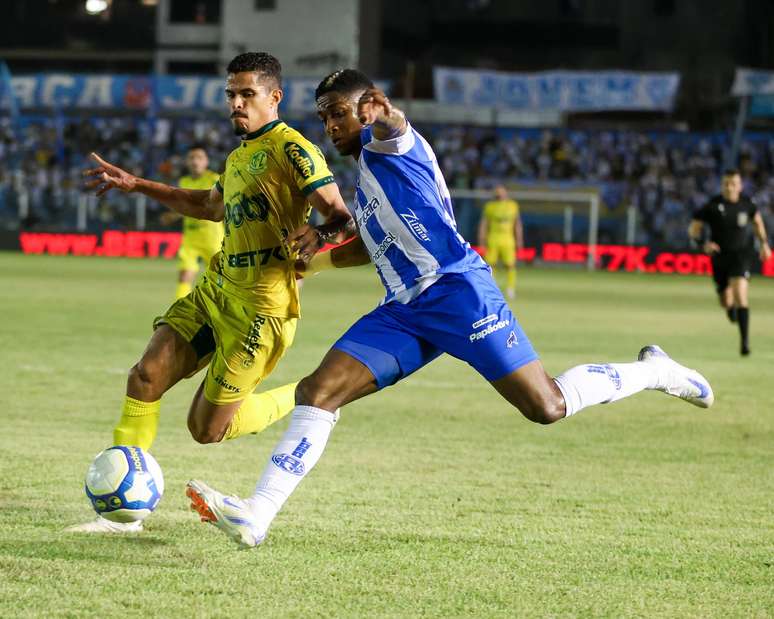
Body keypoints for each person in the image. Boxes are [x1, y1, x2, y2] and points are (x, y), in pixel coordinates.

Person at [184, 70, 714, 549]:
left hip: (458, 293)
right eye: (324, 117)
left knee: (546, 406)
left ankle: (654, 371)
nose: (330, 126)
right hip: (403, 310)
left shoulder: (388, 146)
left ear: (365, 106)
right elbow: (372, 243)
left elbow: (395, 127)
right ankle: (258, 513)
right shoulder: (367, 179)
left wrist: (383, 115)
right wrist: (317, 260)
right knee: (318, 391)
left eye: (338, 113)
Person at [66, 52, 353, 534]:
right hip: (217, 289)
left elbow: (340, 215)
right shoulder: (239, 154)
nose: (236, 104)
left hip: (262, 309)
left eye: (247, 94)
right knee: (145, 377)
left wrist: (321, 236)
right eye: (231, 95)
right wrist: (136, 184)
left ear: (274, 97)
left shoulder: (294, 149)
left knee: (206, 430)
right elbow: (207, 204)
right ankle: (122, 518)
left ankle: (305, 399)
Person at [688, 169, 772, 356]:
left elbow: (758, 223)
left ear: (740, 186)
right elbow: (694, 229)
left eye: (733, 183)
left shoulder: (747, 204)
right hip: (719, 258)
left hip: (741, 256)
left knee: (741, 295)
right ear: (722, 185)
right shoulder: (712, 205)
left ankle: (745, 343)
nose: (729, 187)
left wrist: (764, 244)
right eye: (726, 183)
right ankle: (731, 309)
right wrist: (703, 244)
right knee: (726, 300)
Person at [160, 145, 223, 299]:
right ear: (187, 162)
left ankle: (220, 309)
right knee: (184, 276)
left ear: (206, 161)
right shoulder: (184, 181)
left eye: (199, 158)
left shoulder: (215, 179)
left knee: (220, 278)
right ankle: (179, 312)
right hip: (191, 237)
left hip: (213, 237)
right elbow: (185, 207)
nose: (195, 161)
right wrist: (173, 215)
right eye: (191, 158)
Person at [478, 185, 523, 299]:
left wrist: (519, 239)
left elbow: (517, 224)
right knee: (490, 265)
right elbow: (484, 223)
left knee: (510, 265)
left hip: (508, 239)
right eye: (497, 192)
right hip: (493, 238)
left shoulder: (513, 206)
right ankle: (491, 288)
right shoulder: (490, 206)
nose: (499, 194)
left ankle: (510, 289)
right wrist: (482, 238)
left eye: (501, 192)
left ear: (506, 193)